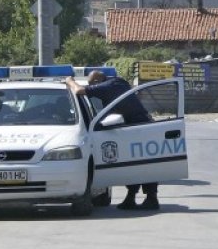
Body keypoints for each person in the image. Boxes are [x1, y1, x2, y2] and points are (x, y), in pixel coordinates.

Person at [65, 71, 160, 210]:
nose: (92, 87)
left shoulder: (108, 86)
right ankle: (132, 198)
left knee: (143, 165)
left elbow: (79, 90)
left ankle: (151, 198)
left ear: (97, 81)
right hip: (135, 127)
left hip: (138, 128)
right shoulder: (118, 81)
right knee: (134, 165)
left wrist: (69, 81)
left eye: (92, 84)